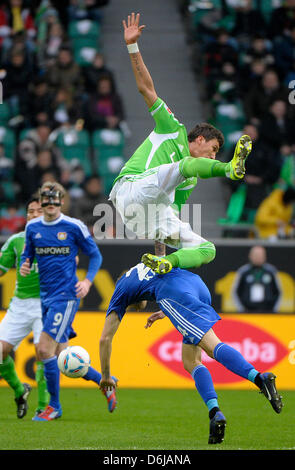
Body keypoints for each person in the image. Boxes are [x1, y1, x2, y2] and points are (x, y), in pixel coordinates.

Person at [109, 13, 252, 276]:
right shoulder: (172, 130)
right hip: (130, 189)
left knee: (207, 249)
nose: (211, 155)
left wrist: (160, 256)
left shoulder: (190, 180)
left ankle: (167, 267)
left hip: (141, 219)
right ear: (199, 139)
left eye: (216, 155)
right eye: (213, 150)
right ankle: (230, 170)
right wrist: (132, 46)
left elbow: (165, 217)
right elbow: (146, 89)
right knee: (185, 166)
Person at [99, 262, 283, 445]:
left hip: (176, 295)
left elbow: (105, 339)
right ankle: (214, 412)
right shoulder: (142, 267)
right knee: (190, 361)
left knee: (212, 346)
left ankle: (259, 378)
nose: (138, 308)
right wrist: (166, 310)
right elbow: (168, 274)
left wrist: (106, 376)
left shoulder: (120, 293)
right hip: (197, 285)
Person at [20, 181, 116, 421]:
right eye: (46, 200)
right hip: (46, 297)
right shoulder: (33, 228)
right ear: (41, 202)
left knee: (44, 349)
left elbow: (95, 254)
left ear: (62, 201)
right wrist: (25, 263)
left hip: (66, 297)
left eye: (55, 200)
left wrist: (88, 282)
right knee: (64, 357)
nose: (50, 204)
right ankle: (106, 383)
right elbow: (28, 252)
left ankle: (54, 406)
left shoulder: (74, 226)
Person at [0, 198, 48, 419]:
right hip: (20, 305)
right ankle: (20, 391)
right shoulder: (16, 241)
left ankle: (44, 407)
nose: (34, 214)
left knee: (42, 352)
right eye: (30, 211)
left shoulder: (57, 241)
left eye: (39, 210)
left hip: (46, 303)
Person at [232, 245, 282, 313]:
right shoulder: (243, 272)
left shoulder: (271, 272)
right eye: (256, 255)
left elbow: (278, 292)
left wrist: (273, 310)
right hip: (247, 312)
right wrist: (242, 310)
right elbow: (236, 292)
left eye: (260, 255)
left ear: (265, 256)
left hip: (268, 312)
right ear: (250, 256)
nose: (258, 257)